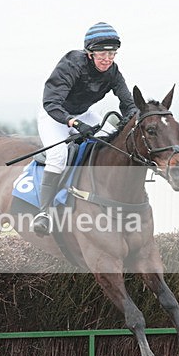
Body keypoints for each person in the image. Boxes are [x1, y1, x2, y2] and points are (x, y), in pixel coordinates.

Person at [32, 22, 138, 235]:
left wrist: (136, 120)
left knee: (114, 142)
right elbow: (51, 103)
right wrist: (74, 123)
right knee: (58, 156)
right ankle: (43, 213)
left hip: (85, 114)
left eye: (112, 54)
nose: (107, 60)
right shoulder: (71, 64)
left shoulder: (113, 72)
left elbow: (128, 103)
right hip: (56, 115)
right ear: (89, 53)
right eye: (102, 55)